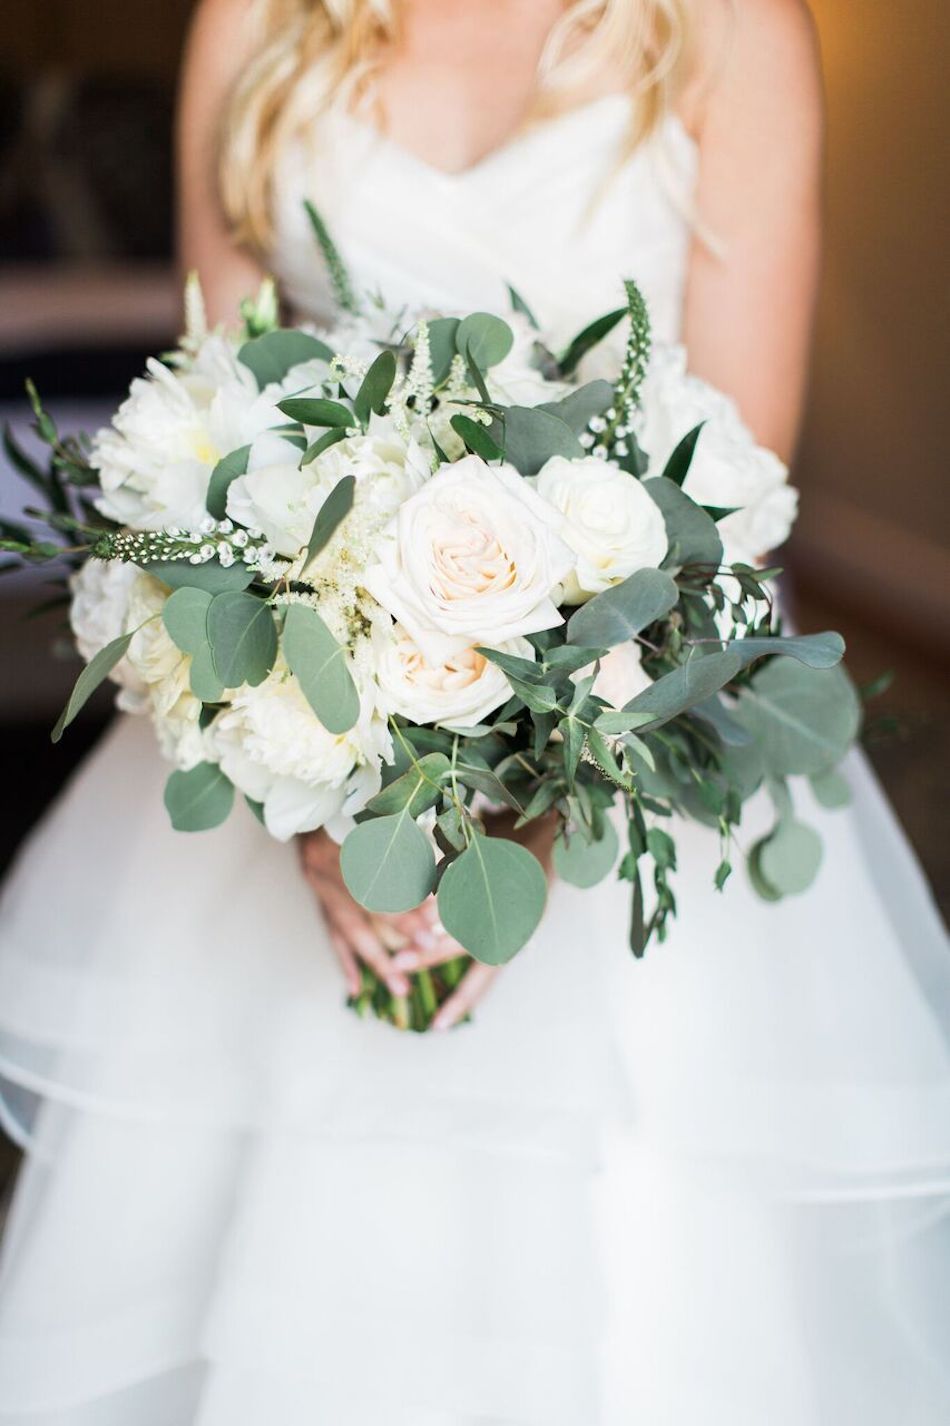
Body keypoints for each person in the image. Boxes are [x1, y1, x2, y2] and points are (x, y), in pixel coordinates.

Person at [0, 2, 948, 1420]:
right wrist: (307, 797)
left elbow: (733, 498)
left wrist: (527, 816)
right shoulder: (253, 19)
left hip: (634, 747)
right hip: (297, 741)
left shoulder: (729, 28)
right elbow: (210, 449)